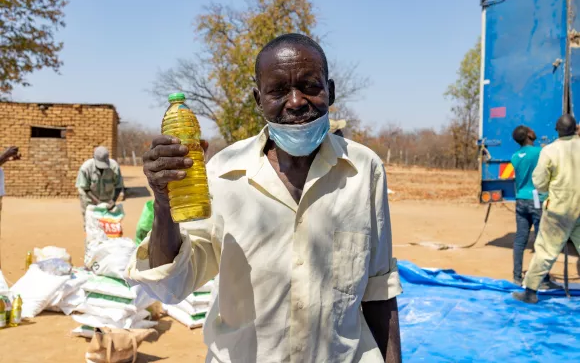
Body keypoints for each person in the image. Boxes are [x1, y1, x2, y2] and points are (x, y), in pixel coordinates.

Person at [127, 33, 403, 362]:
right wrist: (163, 201)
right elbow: (171, 287)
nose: (297, 100)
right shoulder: (222, 173)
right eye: (278, 90)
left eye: (310, 85)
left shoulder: (363, 169)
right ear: (259, 99)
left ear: (331, 91)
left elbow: (379, 291)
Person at [513, 114, 580, 304]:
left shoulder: (549, 151)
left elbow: (540, 182)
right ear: (575, 128)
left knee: (545, 250)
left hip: (559, 209)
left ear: (557, 130)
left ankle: (530, 292)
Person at [510, 126, 556, 288]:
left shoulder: (515, 156)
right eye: (532, 130)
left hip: (521, 200)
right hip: (537, 199)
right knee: (541, 242)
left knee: (520, 240)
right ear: (529, 135)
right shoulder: (539, 153)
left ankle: (517, 277)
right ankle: (542, 280)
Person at [76, 146, 124, 223]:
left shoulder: (114, 167)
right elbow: (85, 188)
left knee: (106, 222)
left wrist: (113, 200)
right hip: (89, 199)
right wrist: (97, 202)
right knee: (90, 222)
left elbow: (118, 186)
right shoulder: (85, 168)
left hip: (107, 199)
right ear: (94, 158)